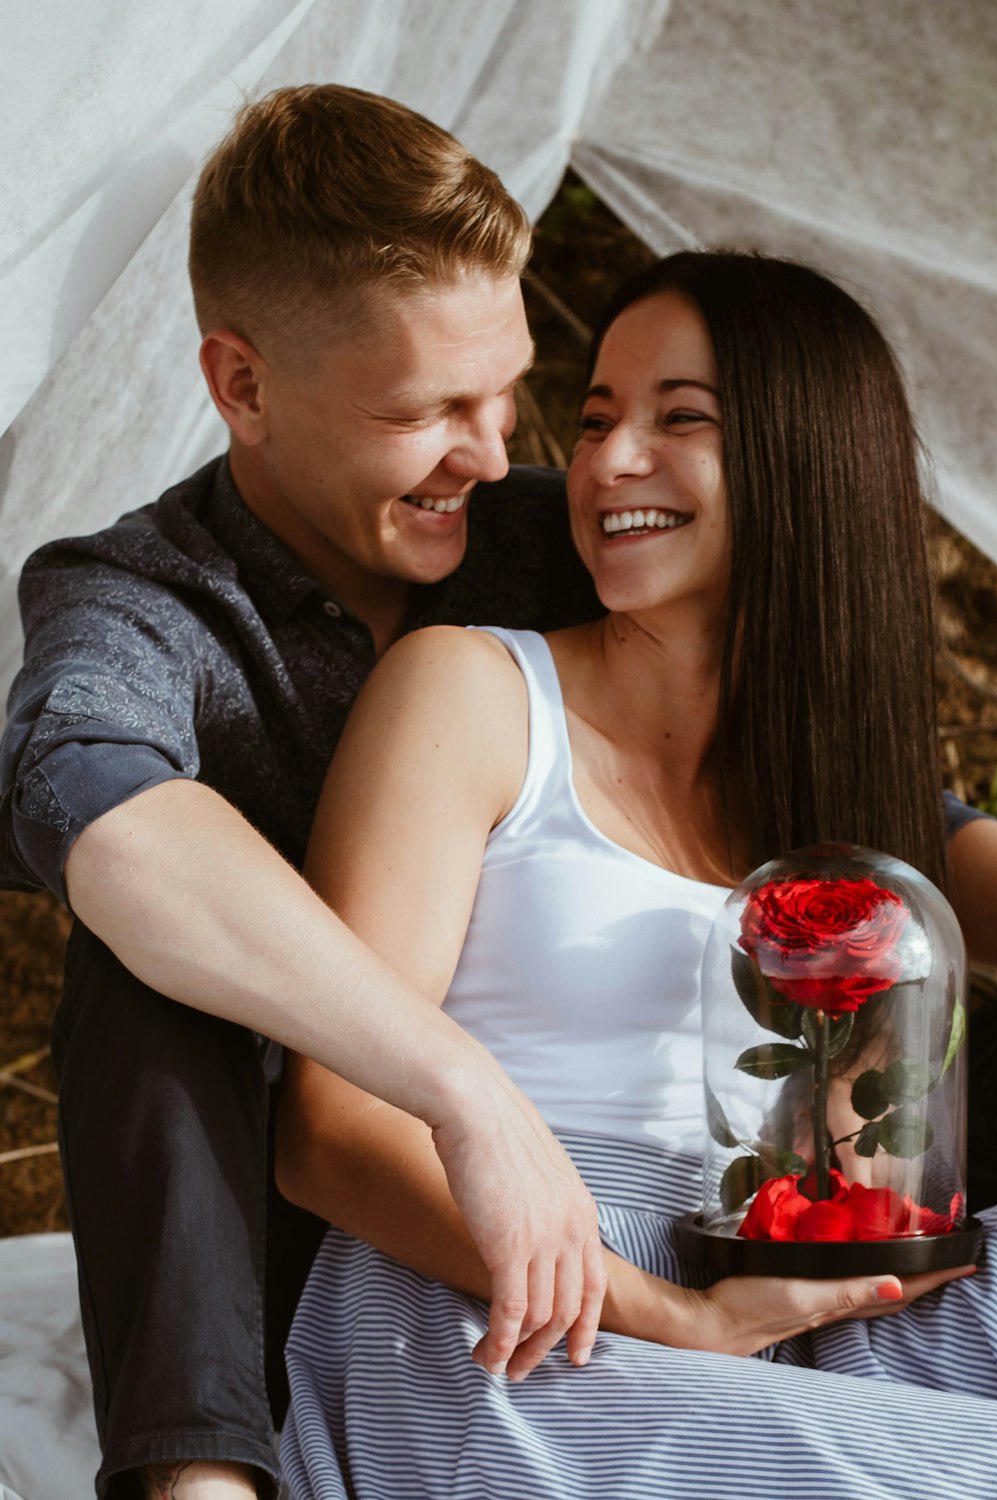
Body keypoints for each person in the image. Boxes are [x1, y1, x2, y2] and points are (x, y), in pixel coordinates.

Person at [275, 251, 997, 1499]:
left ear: (806, 461)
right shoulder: (475, 695)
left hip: (785, 1274)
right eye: (600, 414)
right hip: (506, 1295)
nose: (604, 462)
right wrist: (675, 1315)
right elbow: (327, 1134)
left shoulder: (851, 785)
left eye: (680, 419)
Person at [0, 86, 610, 1500]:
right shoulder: (137, 596)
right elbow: (88, 800)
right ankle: (200, 1482)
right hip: (306, 1223)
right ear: (244, 385)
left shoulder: (553, 545)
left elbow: (860, 802)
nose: (496, 451)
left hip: (611, 1167)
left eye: (507, 388)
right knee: (151, 959)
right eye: (428, 410)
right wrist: (459, 1091)